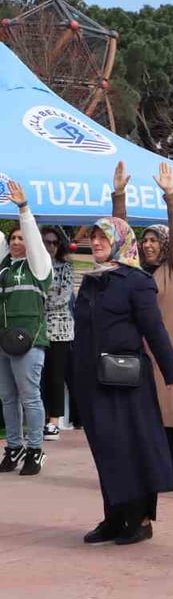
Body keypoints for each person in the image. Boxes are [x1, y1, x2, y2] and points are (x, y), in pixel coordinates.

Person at [76, 215, 173, 544]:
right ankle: (113, 518)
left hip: (125, 381)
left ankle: (139, 519)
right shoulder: (92, 280)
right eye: (94, 237)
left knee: (132, 448)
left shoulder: (136, 281)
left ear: (119, 242)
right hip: (92, 381)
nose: (96, 242)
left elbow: (155, 331)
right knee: (106, 450)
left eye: (103, 237)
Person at [112, 161, 173, 487]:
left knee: (169, 417)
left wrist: (171, 196)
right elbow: (119, 237)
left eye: (153, 241)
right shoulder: (133, 273)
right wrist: (119, 195)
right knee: (143, 416)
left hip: (167, 356)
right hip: (137, 354)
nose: (147, 245)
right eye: (143, 241)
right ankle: (151, 471)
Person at [0, 181, 53, 476]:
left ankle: (35, 450)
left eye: (22, 237)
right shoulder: (4, 265)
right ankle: (14, 447)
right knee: (7, 398)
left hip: (30, 342)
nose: (18, 241)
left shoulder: (39, 265)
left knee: (29, 396)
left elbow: (33, 239)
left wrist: (23, 209)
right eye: (13, 238)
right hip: (3, 342)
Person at [39, 225, 73, 442]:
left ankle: (54, 421)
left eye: (54, 242)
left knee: (56, 376)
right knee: (37, 376)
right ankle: (39, 418)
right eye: (46, 242)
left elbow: (63, 297)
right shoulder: (35, 266)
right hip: (37, 328)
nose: (50, 246)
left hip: (60, 329)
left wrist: (42, 299)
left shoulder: (65, 267)